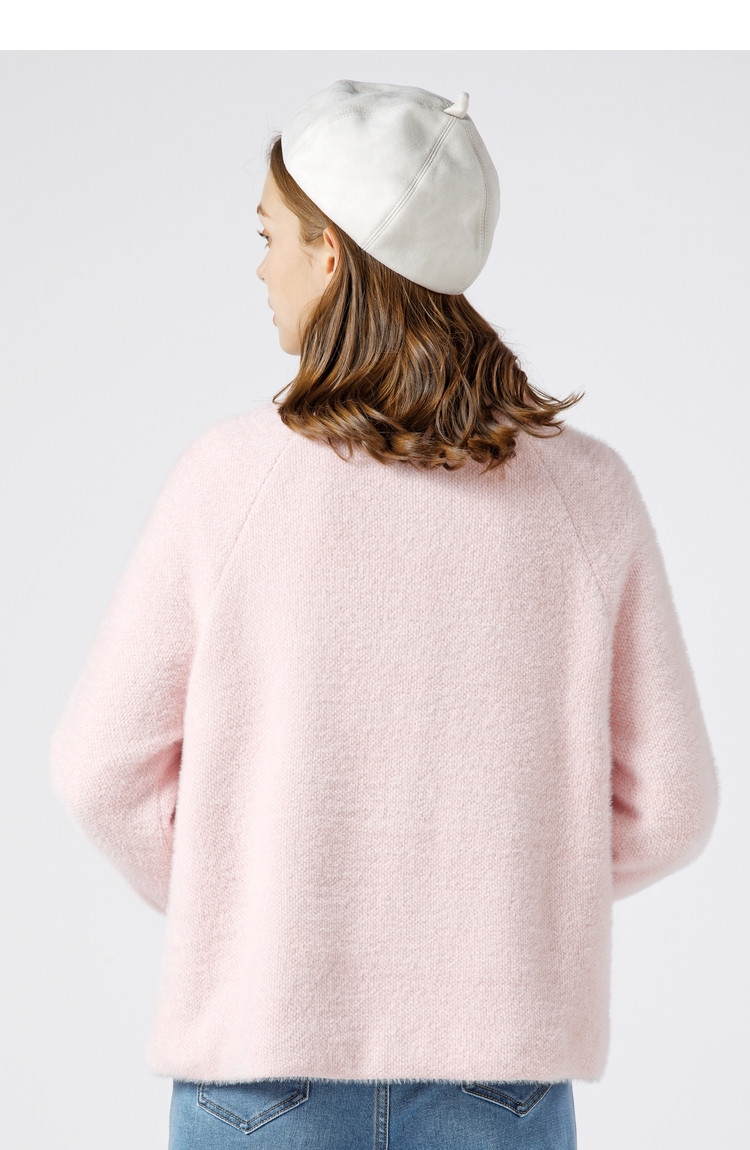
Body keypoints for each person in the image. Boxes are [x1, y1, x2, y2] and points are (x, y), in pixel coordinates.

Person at [49, 80, 719, 1150]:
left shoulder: (230, 483)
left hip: (259, 1073)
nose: (259, 267)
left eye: (269, 236)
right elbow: (672, 807)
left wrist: (253, 912)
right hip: (497, 1078)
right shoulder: (588, 496)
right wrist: (500, 911)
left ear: (330, 254)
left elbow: (98, 770)